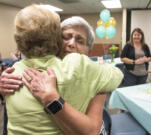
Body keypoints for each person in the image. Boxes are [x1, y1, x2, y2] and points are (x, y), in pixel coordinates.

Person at [1, 4, 123, 135]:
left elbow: (92, 131)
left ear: (88, 51)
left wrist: (52, 99)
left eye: (80, 41)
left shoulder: (94, 77)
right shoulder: (19, 70)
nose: (71, 44)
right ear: (55, 40)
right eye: (66, 37)